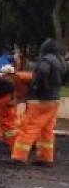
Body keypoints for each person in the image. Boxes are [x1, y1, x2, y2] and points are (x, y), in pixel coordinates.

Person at [10, 38, 67, 167]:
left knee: (28, 128)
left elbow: (42, 73)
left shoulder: (45, 60)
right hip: (55, 99)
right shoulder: (61, 61)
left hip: (40, 100)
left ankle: (19, 157)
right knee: (46, 130)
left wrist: (35, 87)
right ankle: (46, 158)